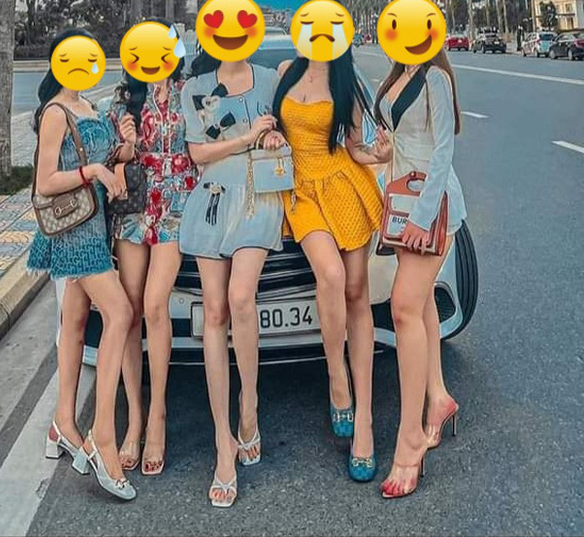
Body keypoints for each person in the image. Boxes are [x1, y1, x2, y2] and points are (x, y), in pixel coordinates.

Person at [27, 29, 138, 501]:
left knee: (73, 324)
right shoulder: (56, 111)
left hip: (93, 222)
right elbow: (44, 182)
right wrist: (92, 172)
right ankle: (102, 436)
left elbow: (106, 159)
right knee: (120, 313)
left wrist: (124, 148)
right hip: (74, 231)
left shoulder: (88, 105)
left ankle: (62, 423)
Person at [272, 45, 388, 482]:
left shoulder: (346, 82)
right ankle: (337, 376)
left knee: (357, 293)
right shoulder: (286, 71)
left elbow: (355, 148)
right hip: (300, 190)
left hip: (342, 184)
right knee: (332, 273)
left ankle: (365, 423)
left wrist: (380, 155)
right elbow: (272, 128)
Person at [179, 50, 284, 507]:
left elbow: (287, 130)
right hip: (212, 199)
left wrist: (274, 137)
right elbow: (198, 152)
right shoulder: (196, 88)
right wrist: (246, 138)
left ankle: (250, 404)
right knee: (214, 310)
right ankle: (223, 441)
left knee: (241, 297)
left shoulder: (270, 80)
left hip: (260, 196)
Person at [374, 48, 467, 499]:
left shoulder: (435, 79)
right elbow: (404, 143)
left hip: (432, 207)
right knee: (422, 301)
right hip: (401, 203)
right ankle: (439, 395)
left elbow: (443, 151)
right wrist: (383, 151)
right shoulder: (399, 75)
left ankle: (410, 438)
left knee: (403, 308)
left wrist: (423, 216)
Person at [106, 20, 197, 476]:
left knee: (157, 303)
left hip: (178, 200)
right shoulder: (124, 98)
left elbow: (205, 142)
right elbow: (111, 156)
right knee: (131, 307)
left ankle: (158, 414)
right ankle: (135, 418)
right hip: (136, 203)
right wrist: (125, 146)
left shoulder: (188, 90)